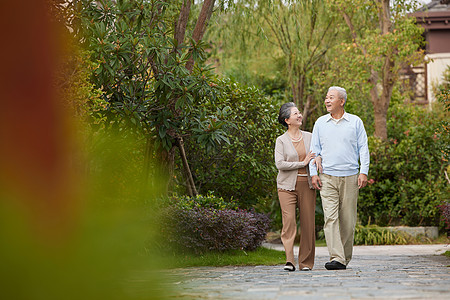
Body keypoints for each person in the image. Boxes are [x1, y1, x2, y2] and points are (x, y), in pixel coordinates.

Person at [309, 86, 370, 270]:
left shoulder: (355, 122)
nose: (327, 101)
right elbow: (314, 150)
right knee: (330, 218)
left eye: (331, 98)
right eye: (326, 97)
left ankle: (344, 258)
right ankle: (336, 257)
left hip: (350, 176)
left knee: (348, 221)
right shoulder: (320, 123)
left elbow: (363, 148)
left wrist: (363, 171)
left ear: (341, 101)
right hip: (327, 177)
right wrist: (313, 174)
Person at [275, 102, 318, 272]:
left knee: (308, 223)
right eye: (295, 114)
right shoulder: (281, 140)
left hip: (307, 185)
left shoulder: (310, 136)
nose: (299, 115)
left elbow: (318, 155)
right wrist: (303, 162)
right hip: (286, 186)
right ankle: (289, 261)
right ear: (287, 120)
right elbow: (280, 164)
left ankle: (306, 263)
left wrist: (317, 161)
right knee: (289, 222)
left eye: (299, 113)